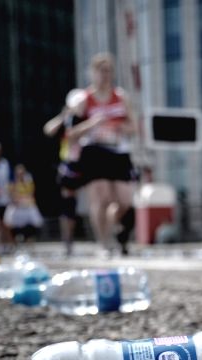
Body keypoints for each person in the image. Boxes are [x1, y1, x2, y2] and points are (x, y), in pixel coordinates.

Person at [68, 53, 137, 257]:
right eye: (101, 71)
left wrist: (120, 127)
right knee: (101, 197)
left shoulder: (121, 97)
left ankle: (112, 227)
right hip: (94, 152)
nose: (105, 75)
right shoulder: (83, 100)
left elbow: (134, 126)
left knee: (125, 200)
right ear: (93, 73)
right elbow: (70, 133)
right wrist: (92, 123)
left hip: (118, 151)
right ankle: (103, 243)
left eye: (108, 71)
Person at [43, 89, 87, 257]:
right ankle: (68, 242)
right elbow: (48, 130)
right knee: (69, 205)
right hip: (70, 164)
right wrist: (63, 115)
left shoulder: (89, 116)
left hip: (89, 163)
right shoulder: (68, 119)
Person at [4, 164, 43, 244]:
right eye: (19, 173)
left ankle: (29, 240)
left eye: (22, 173)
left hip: (27, 206)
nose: (21, 175)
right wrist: (17, 199)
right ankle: (12, 242)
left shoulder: (28, 182)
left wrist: (25, 199)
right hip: (16, 206)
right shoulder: (12, 182)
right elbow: (10, 194)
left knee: (35, 222)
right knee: (8, 223)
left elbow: (31, 194)